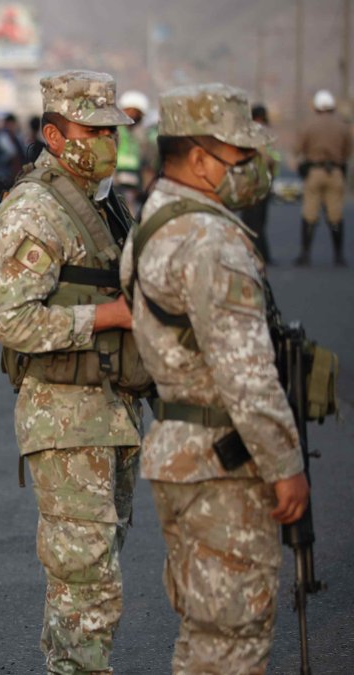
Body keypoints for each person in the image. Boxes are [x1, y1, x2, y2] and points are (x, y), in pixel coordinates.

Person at [120, 82, 310, 674]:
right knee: (234, 639)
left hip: (182, 452)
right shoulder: (210, 239)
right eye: (241, 157)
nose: (252, 170)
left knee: (206, 634)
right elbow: (247, 374)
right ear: (200, 158)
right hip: (226, 462)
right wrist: (287, 466)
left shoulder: (154, 220)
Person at [0, 70, 142, 675]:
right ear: (54, 135)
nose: (106, 141)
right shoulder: (37, 208)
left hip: (116, 410)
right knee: (87, 581)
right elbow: (15, 322)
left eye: (112, 130)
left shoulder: (106, 202)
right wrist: (110, 315)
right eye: (92, 129)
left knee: (92, 573)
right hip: (67, 414)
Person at [295, 89, 351, 266]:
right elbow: (348, 149)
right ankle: (338, 255)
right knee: (335, 214)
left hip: (315, 172)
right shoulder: (342, 126)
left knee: (310, 213)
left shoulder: (309, 125)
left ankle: (305, 254)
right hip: (335, 172)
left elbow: (298, 148)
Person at [240, 104, 278, 263]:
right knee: (258, 222)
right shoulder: (263, 133)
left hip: (251, 182)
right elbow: (271, 158)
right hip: (261, 182)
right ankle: (260, 254)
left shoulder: (249, 132)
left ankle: (256, 254)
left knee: (252, 222)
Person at [116, 90, 157, 213]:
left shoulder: (146, 136)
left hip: (137, 185)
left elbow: (150, 165)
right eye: (128, 110)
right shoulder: (114, 132)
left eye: (136, 112)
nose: (132, 115)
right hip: (115, 182)